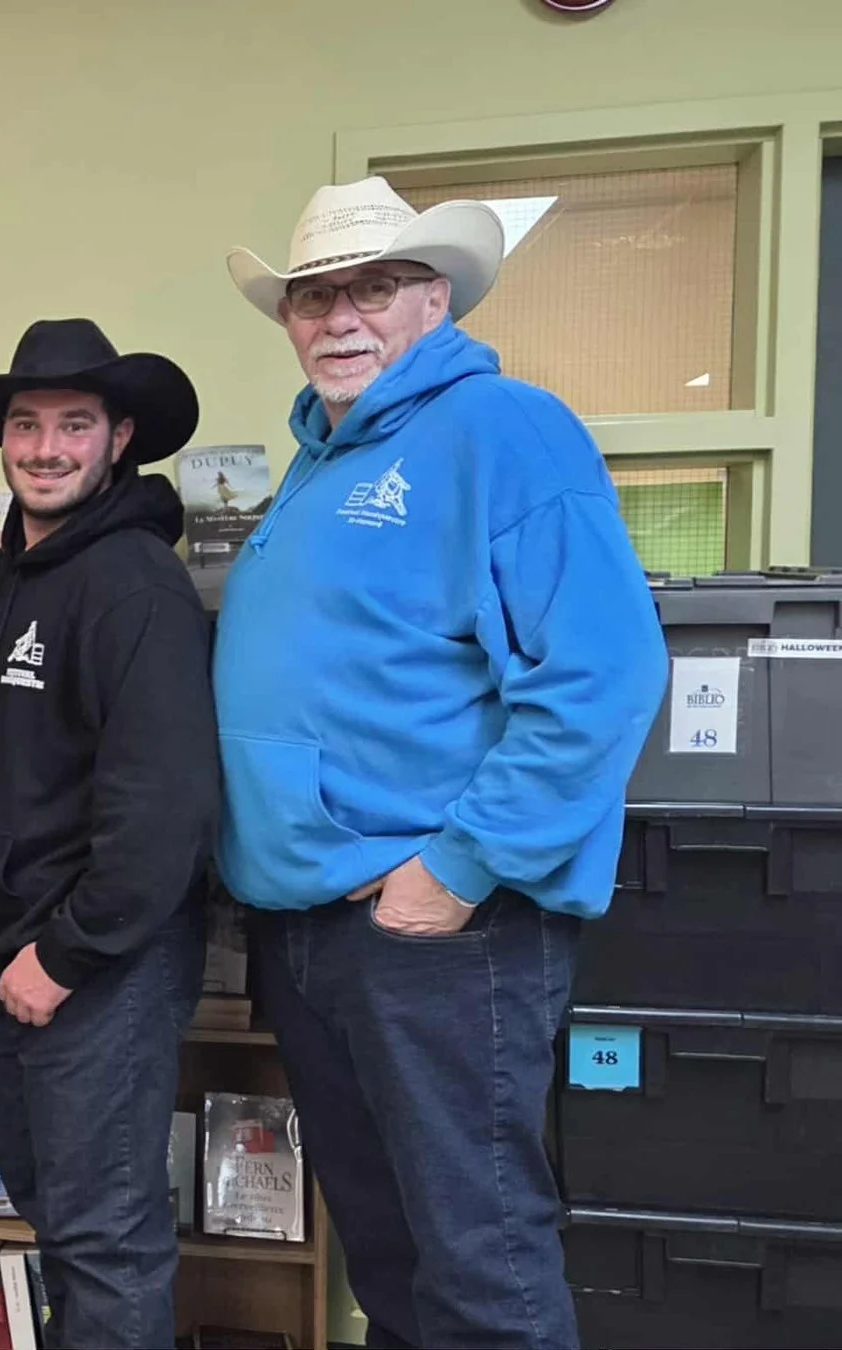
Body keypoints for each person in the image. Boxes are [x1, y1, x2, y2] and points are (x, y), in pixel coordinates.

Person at [217, 177, 667, 1349]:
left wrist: (458, 870)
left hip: (434, 931)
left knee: (481, 1271)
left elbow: (603, 674)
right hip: (317, 926)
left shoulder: (504, 427)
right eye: (312, 296)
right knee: (393, 1263)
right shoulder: (319, 458)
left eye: (372, 288)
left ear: (436, 297)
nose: (338, 317)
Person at [0, 320, 221, 1348]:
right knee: (56, 1219)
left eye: (73, 424)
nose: (45, 447)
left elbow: (164, 805)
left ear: (118, 437)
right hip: (5, 963)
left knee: (106, 1243)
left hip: (98, 970)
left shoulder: (137, 584)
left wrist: (64, 955)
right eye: (26, 424)